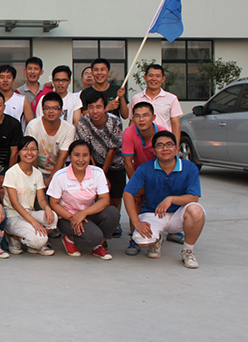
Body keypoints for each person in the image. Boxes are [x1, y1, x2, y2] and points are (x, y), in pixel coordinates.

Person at [123, 131, 205, 269]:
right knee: (142, 241)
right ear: (154, 150)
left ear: (176, 147)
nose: (165, 148)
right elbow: (127, 193)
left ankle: (188, 251)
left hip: (179, 215)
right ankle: (157, 239)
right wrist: (136, 222)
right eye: (160, 145)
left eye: (169, 144)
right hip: (153, 213)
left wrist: (171, 199)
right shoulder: (145, 168)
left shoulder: (189, 167)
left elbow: (194, 197)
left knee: (196, 211)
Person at [47, 140, 119, 260]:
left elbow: (105, 200)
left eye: (85, 155)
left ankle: (98, 246)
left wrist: (83, 213)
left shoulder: (97, 173)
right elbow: (54, 203)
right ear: (70, 156)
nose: (81, 160)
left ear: (90, 156)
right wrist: (73, 218)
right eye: (76, 155)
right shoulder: (60, 176)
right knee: (94, 236)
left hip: (88, 213)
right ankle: (69, 239)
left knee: (112, 213)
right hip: (67, 218)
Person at [122, 102, 173, 255]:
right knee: (135, 198)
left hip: (160, 172)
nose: (141, 119)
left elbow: (169, 160)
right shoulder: (129, 133)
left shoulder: (163, 133)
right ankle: (134, 237)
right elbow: (127, 161)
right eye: (137, 116)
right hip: (139, 173)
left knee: (166, 198)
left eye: (145, 115)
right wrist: (137, 186)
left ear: (154, 117)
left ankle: (172, 229)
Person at [75, 91, 126, 237]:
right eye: (91, 107)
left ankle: (114, 223)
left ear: (105, 107)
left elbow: (112, 150)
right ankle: (97, 224)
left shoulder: (115, 121)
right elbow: (86, 149)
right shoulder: (83, 122)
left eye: (98, 107)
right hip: (93, 164)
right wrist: (96, 172)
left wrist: (102, 175)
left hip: (115, 163)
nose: (95, 111)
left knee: (115, 197)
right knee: (96, 196)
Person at [3, 136, 57, 256]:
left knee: (53, 217)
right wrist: (34, 222)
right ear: (18, 152)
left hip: (29, 212)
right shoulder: (11, 173)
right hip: (13, 216)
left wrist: (47, 208)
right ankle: (14, 237)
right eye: (25, 149)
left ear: (37, 152)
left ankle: (34, 243)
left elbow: (41, 199)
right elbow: (15, 204)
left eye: (33, 149)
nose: (29, 153)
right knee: (40, 239)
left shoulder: (37, 174)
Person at [25, 92, 75, 186]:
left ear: (61, 111)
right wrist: (38, 179)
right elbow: (30, 154)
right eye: (47, 108)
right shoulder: (33, 126)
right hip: (34, 170)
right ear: (42, 110)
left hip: (59, 172)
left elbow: (63, 156)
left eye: (55, 108)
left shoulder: (69, 129)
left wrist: (51, 179)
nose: (51, 111)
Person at [128, 64, 183, 144]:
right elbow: (132, 122)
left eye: (158, 76)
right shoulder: (136, 98)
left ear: (163, 79)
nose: (154, 79)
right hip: (141, 143)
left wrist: (176, 146)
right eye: (151, 75)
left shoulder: (171, 99)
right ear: (145, 77)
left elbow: (175, 125)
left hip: (163, 143)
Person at [0, 64, 33, 131]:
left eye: (8, 77)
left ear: (13, 80)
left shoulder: (22, 100)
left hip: (17, 136)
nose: (5, 80)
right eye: (2, 77)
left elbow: (31, 124)